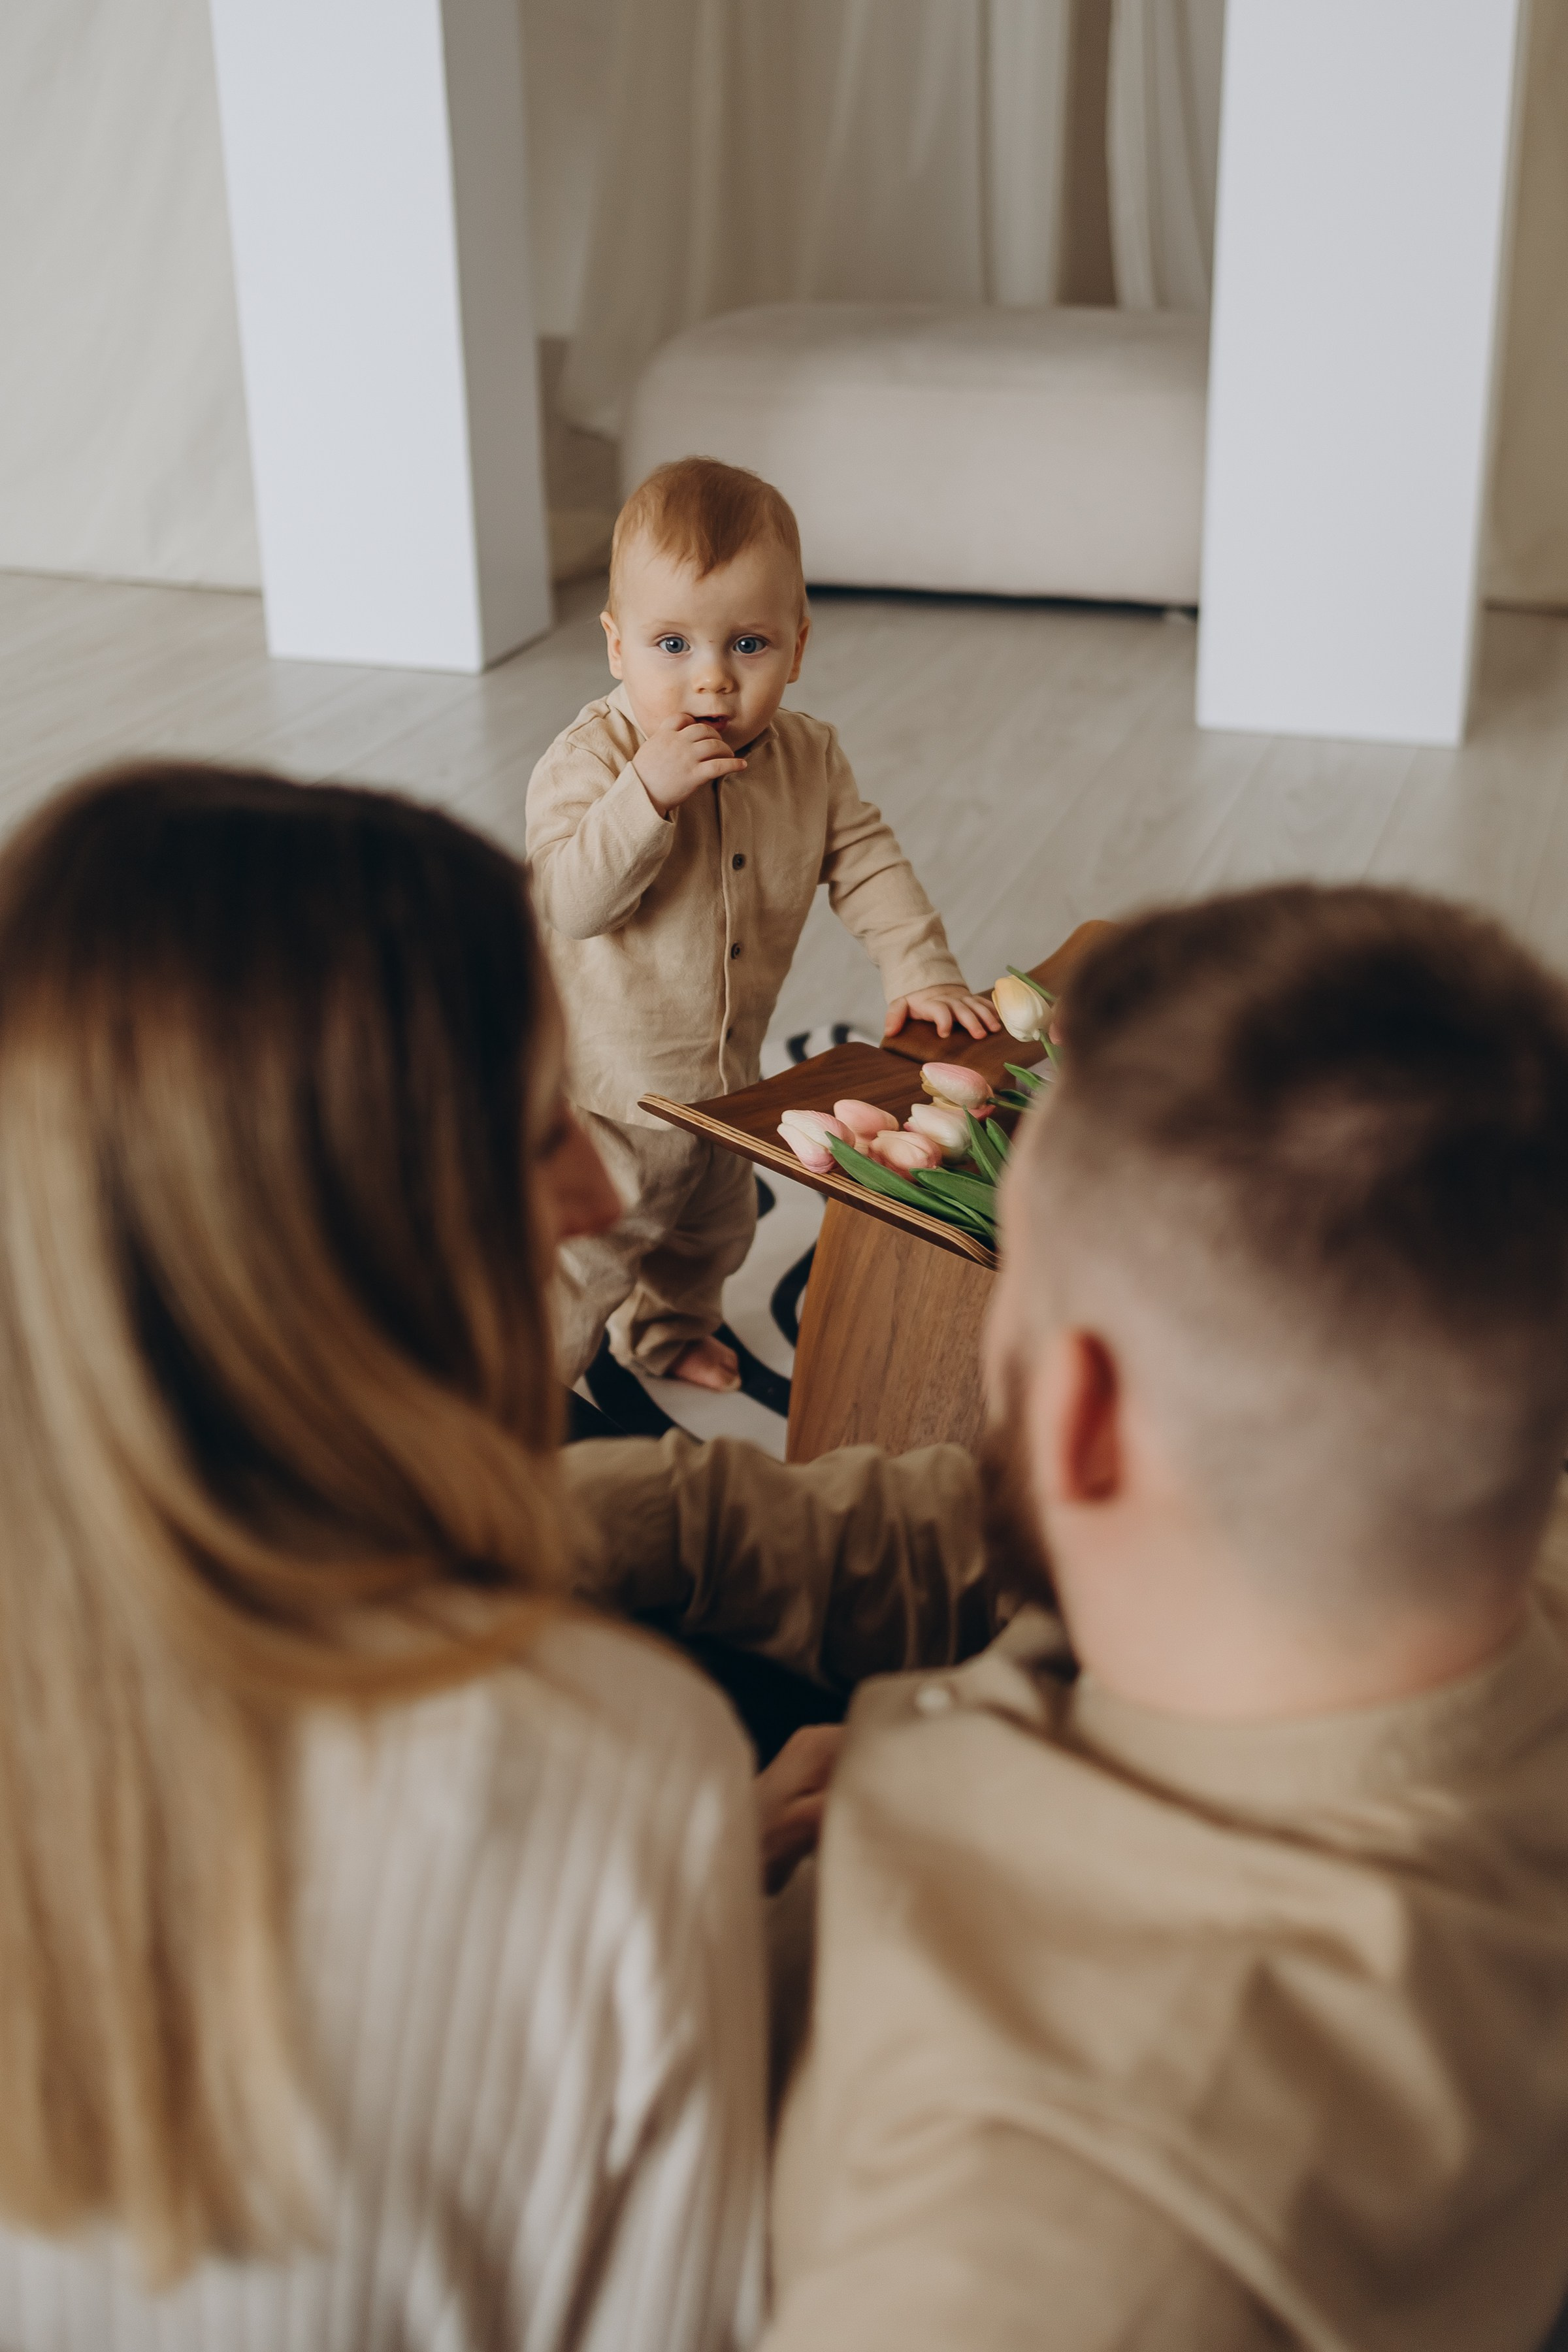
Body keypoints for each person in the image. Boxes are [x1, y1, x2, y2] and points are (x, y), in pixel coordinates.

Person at [0, 759, 806, 2352]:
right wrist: (697, 1893)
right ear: (327, 1237)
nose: (604, 1185)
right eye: (532, 1136)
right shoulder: (623, 1767)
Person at [740, 885, 1568, 2352]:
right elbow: (1008, 1525)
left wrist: (693, 1920)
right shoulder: (1482, 1550)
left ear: (1079, 1419)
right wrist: (636, 1522)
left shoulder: (1035, 2248)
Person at [525, 455, 998, 1396]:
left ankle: (667, 1333)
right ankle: (517, 1415)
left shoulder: (809, 757)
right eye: (672, 646)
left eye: (749, 646)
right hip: (606, 1099)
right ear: (616, 645)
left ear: (799, 644)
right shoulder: (590, 761)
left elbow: (863, 859)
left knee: (715, 1235)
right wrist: (645, 798)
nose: (711, 682)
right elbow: (572, 902)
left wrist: (919, 966)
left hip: (730, 1088)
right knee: (582, 1268)